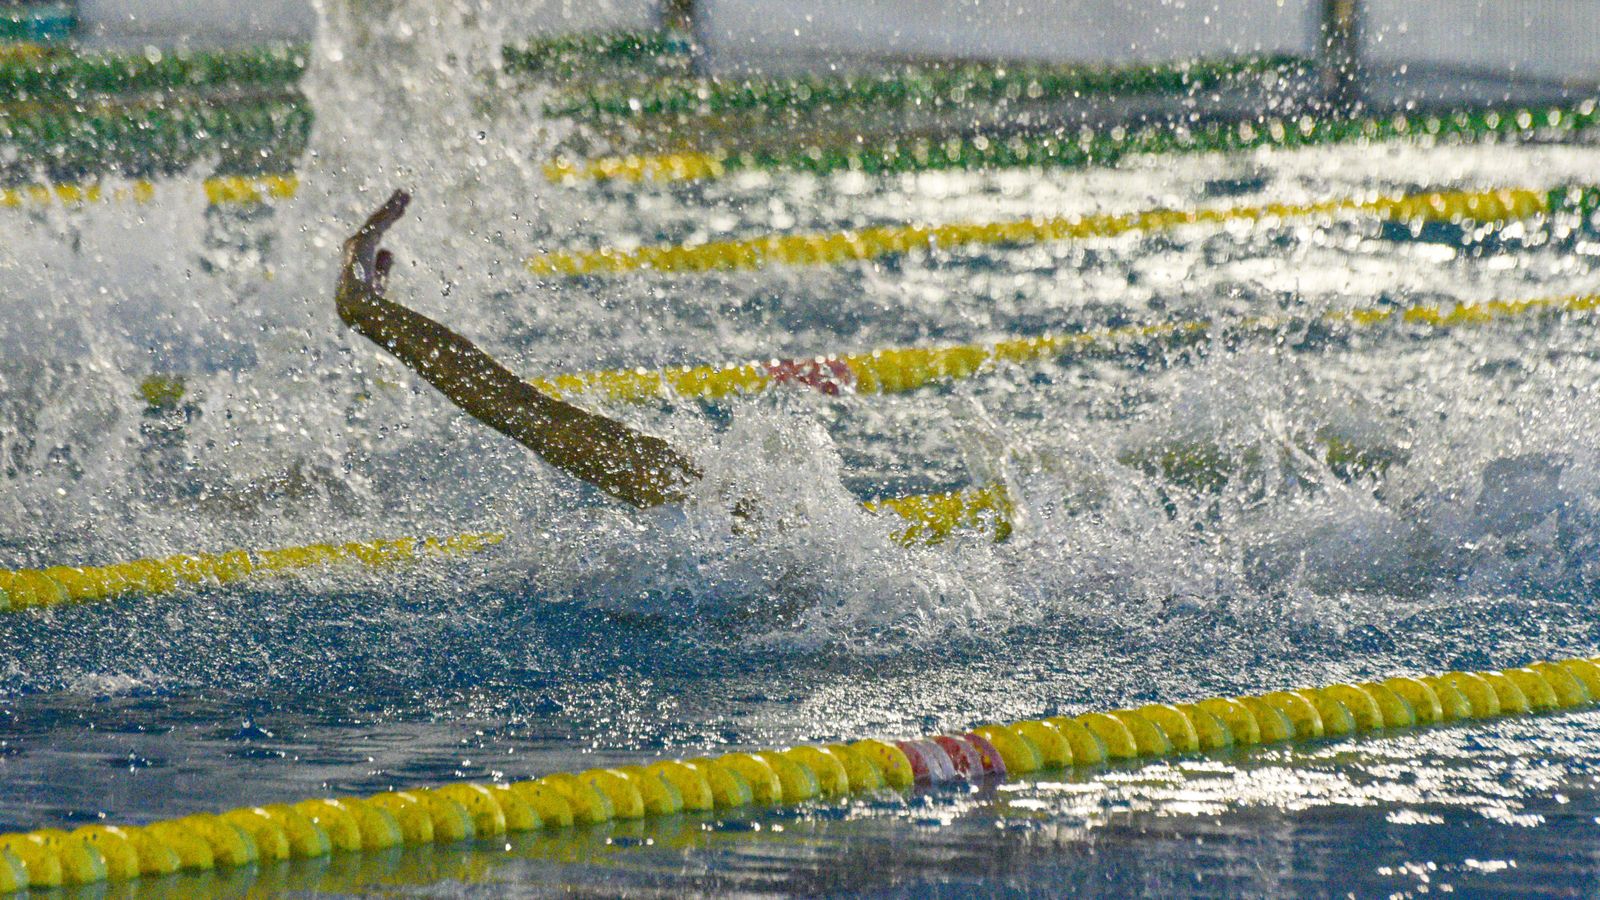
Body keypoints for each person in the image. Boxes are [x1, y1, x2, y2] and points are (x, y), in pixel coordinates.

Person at [335, 189, 703, 509]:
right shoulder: (689, 489)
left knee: (528, 417)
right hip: (702, 493)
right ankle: (362, 307)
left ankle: (363, 308)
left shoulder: (695, 494)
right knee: (527, 416)